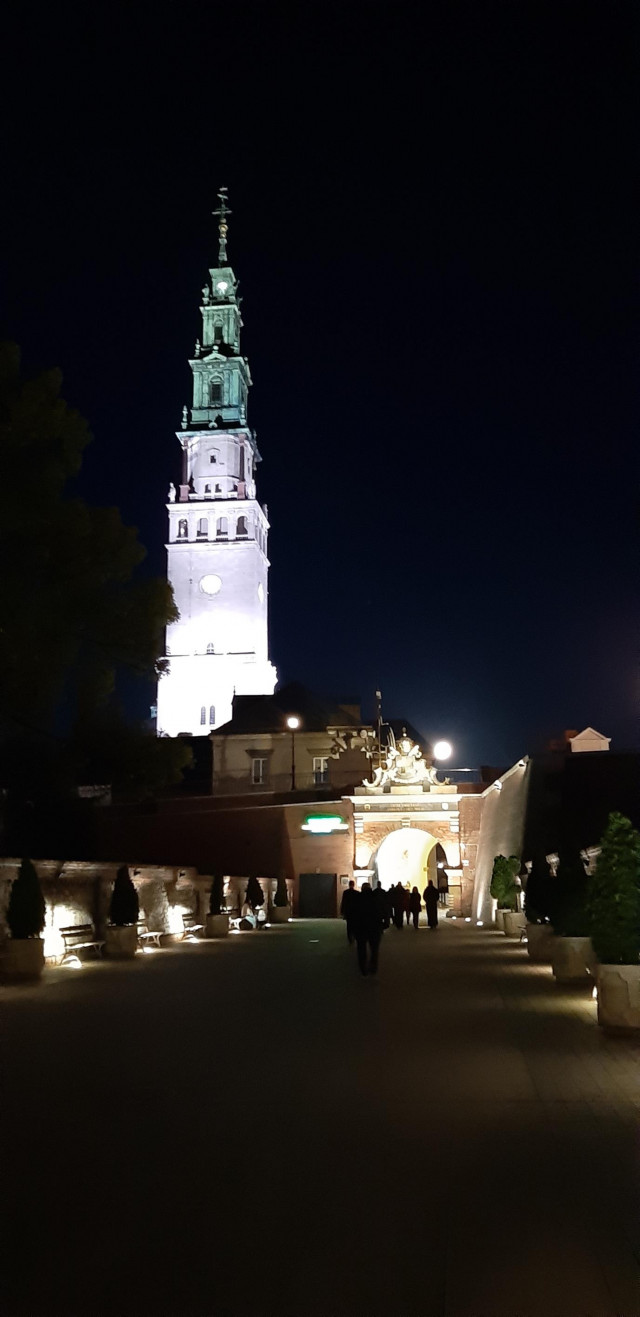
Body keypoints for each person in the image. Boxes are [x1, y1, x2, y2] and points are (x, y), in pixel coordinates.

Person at [352, 882, 384, 976]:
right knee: (374, 949)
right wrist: (384, 923)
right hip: (374, 927)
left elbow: (353, 913)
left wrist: (353, 927)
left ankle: (363, 968)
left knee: (361, 948)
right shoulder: (376, 897)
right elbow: (382, 909)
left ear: (362, 888)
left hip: (361, 927)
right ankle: (373, 967)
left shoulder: (357, 898)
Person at [340, 879, 359, 945]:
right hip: (355, 911)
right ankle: (354, 936)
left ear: (349, 885)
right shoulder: (357, 893)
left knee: (349, 925)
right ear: (353, 885)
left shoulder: (345, 892)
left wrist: (342, 911)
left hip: (348, 911)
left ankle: (349, 938)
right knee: (354, 924)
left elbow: (343, 902)